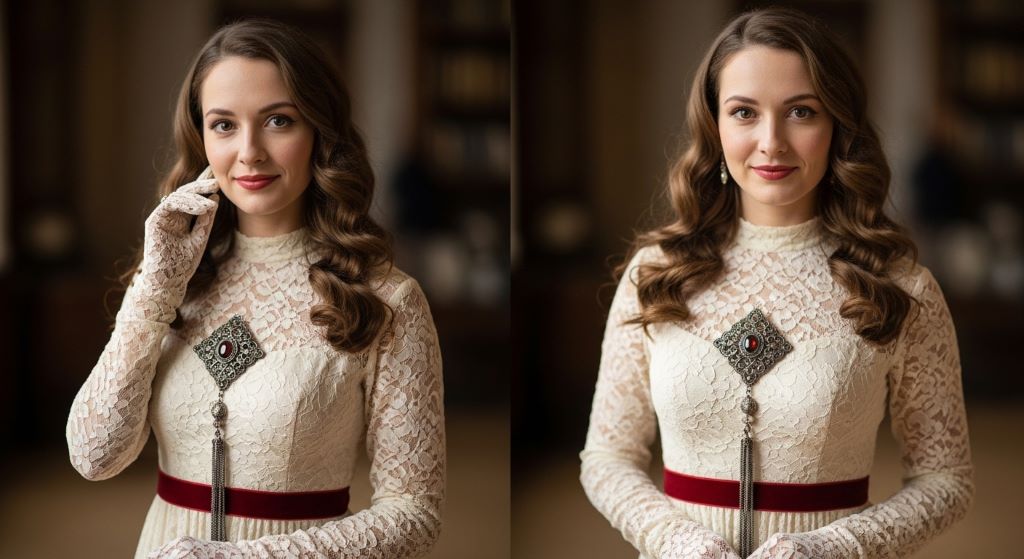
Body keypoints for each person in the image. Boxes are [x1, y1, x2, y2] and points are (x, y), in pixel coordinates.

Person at [580, 8, 972, 559]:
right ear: (715, 128)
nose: (771, 142)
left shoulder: (901, 288)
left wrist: (829, 548)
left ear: (837, 127)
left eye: (801, 112)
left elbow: (946, 479)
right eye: (744, 112)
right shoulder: (655, 274)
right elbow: (606, 458)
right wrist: (677, 541)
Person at [66, 19, 445, 558]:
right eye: (224, 125)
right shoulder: (170, 283)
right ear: (201, 137)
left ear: (320, 131)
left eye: (277, 121)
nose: (249, 151)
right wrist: (154, 290)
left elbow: (416, 513)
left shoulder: (386, 299)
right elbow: (93, 456)